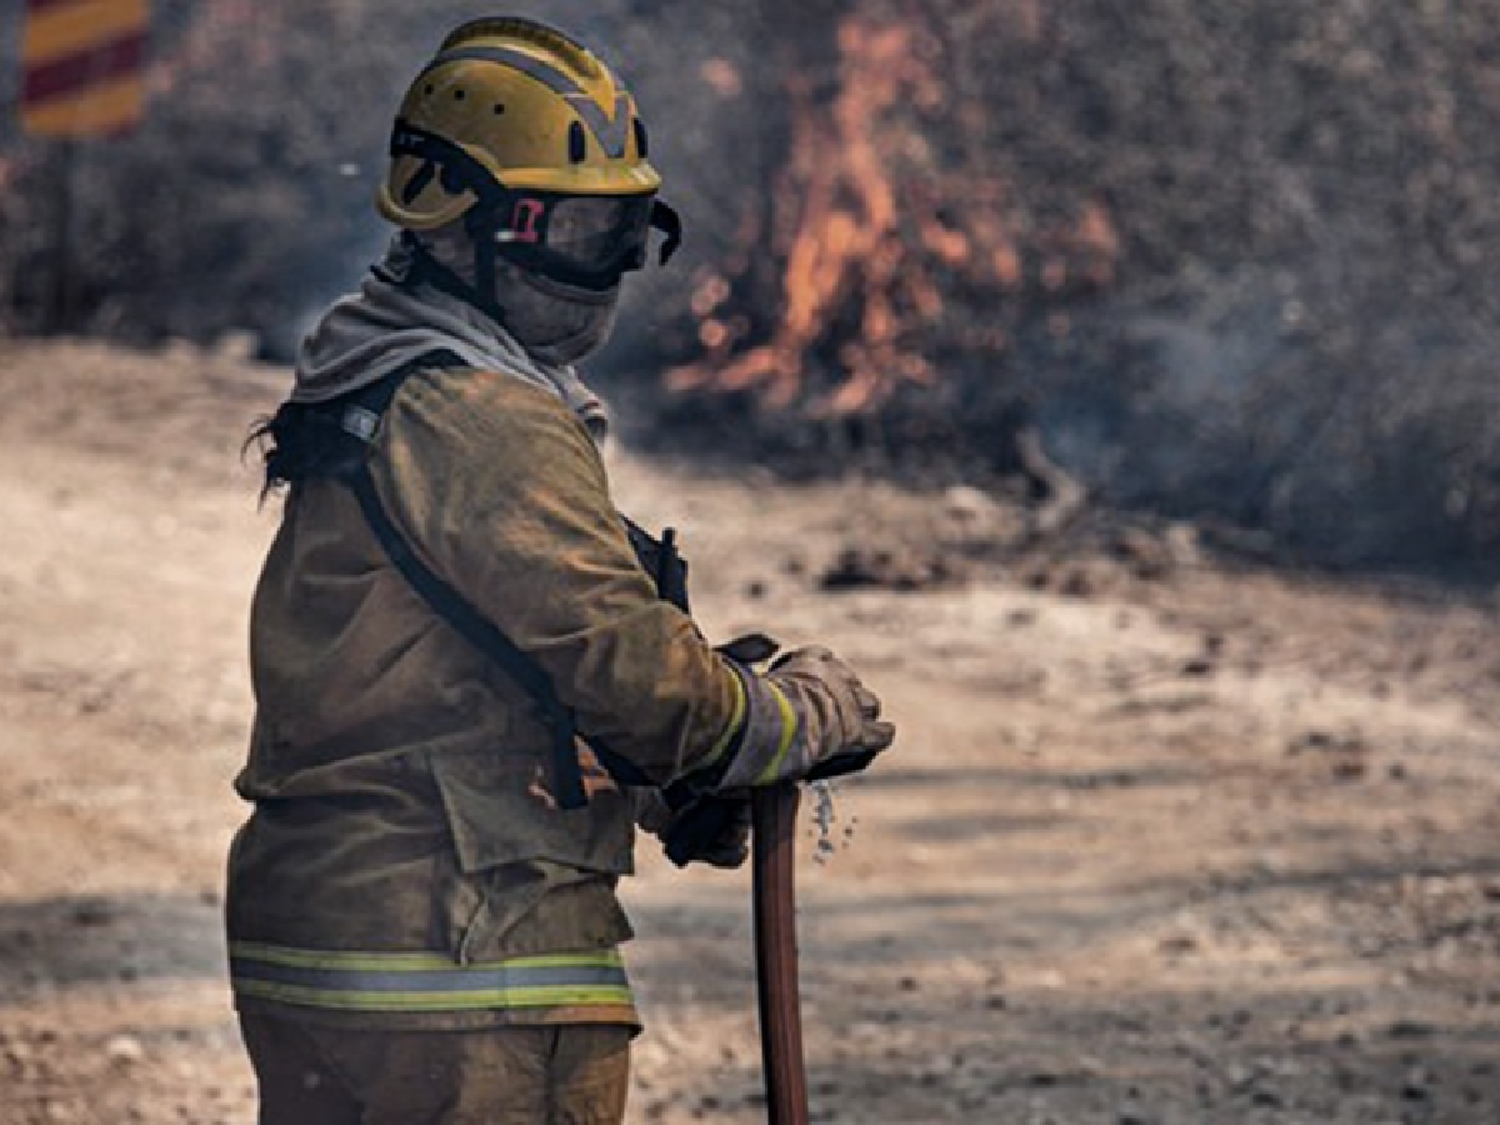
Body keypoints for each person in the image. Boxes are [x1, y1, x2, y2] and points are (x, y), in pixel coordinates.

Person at [227, 16, 894, 1125]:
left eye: (628, 231)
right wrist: (793, 716)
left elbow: (457, 674)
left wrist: (649, 781)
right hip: (466, 961)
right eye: (577, 233)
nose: (613, 270)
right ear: (459, 227)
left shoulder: (373, 376)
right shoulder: (483, 414)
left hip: (329, 939)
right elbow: (656, 692)